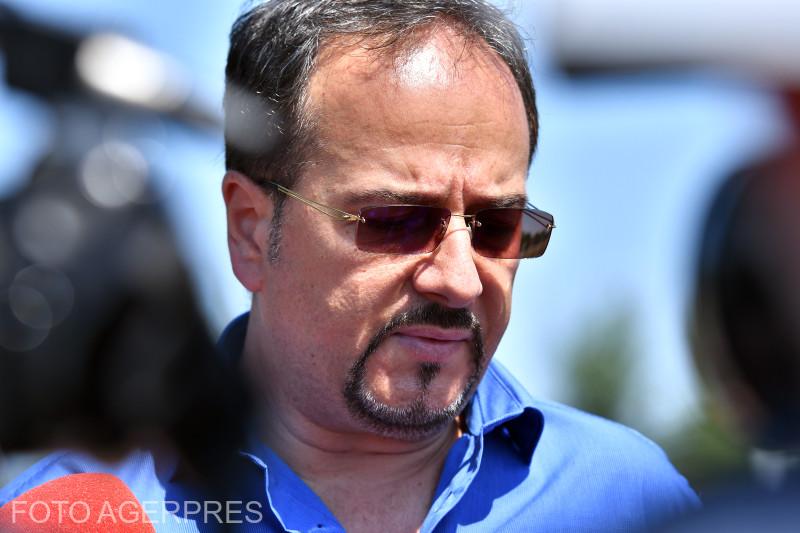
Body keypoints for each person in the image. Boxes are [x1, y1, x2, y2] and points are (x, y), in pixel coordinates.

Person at [1, 1, 699, 531]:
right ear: (250, 230)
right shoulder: (73, 513)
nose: (459, 278)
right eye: (397, 221)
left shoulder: (629, 500)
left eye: (496, 226)